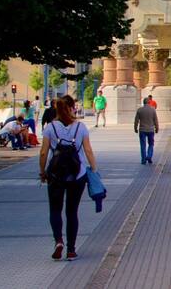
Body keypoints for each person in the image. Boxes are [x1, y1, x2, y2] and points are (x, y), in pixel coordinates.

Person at [39, 95, 96, 261]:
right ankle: (71, 250)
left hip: (55, 175)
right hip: (77, 175)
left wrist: (42, 172)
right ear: (72, 108)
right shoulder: (81, 127)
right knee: (72, 212)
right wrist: (94, 170)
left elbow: (43, 152)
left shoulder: (50, 128)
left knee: (55, 210)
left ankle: (58, 241)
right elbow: (88, 151)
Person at [133, 97, 158, 165]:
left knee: (143, 145)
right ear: (149, 102)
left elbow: (136, 121)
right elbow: (155, 120)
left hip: (142, 130)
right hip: (150, 130)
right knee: (151, 144)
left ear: (143, 103)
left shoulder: (139, 110)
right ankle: (149, 156)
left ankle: (143, 160)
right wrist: (157, 128)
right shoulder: (153, 110)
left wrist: (135, 128)